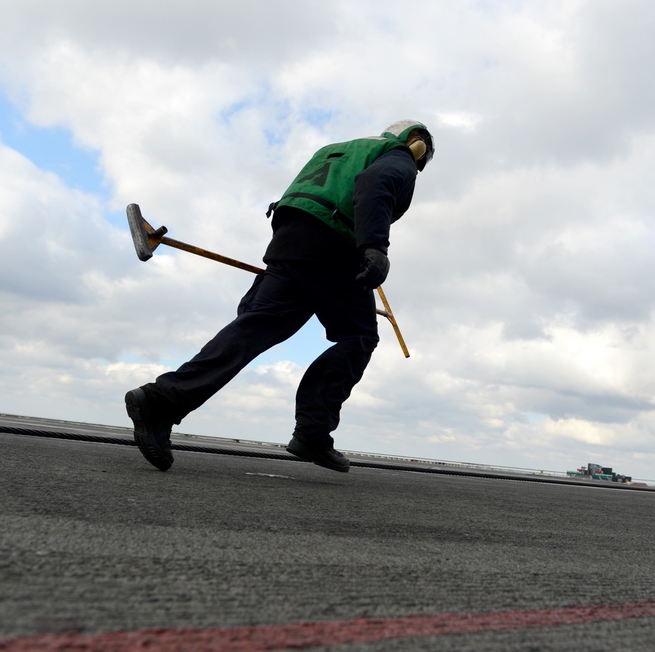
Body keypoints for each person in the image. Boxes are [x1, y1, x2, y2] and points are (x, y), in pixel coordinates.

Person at [125, 119, 434, 474]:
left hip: (289, 239)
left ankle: (161, 401)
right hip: (332, 242)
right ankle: (313, 432)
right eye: (423, 158)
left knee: (254, 327)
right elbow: (375, 184)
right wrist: (375, 247)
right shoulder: (399, 157)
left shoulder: (339, 150)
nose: (419, 167)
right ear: (416, 143)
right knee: (358, 336)